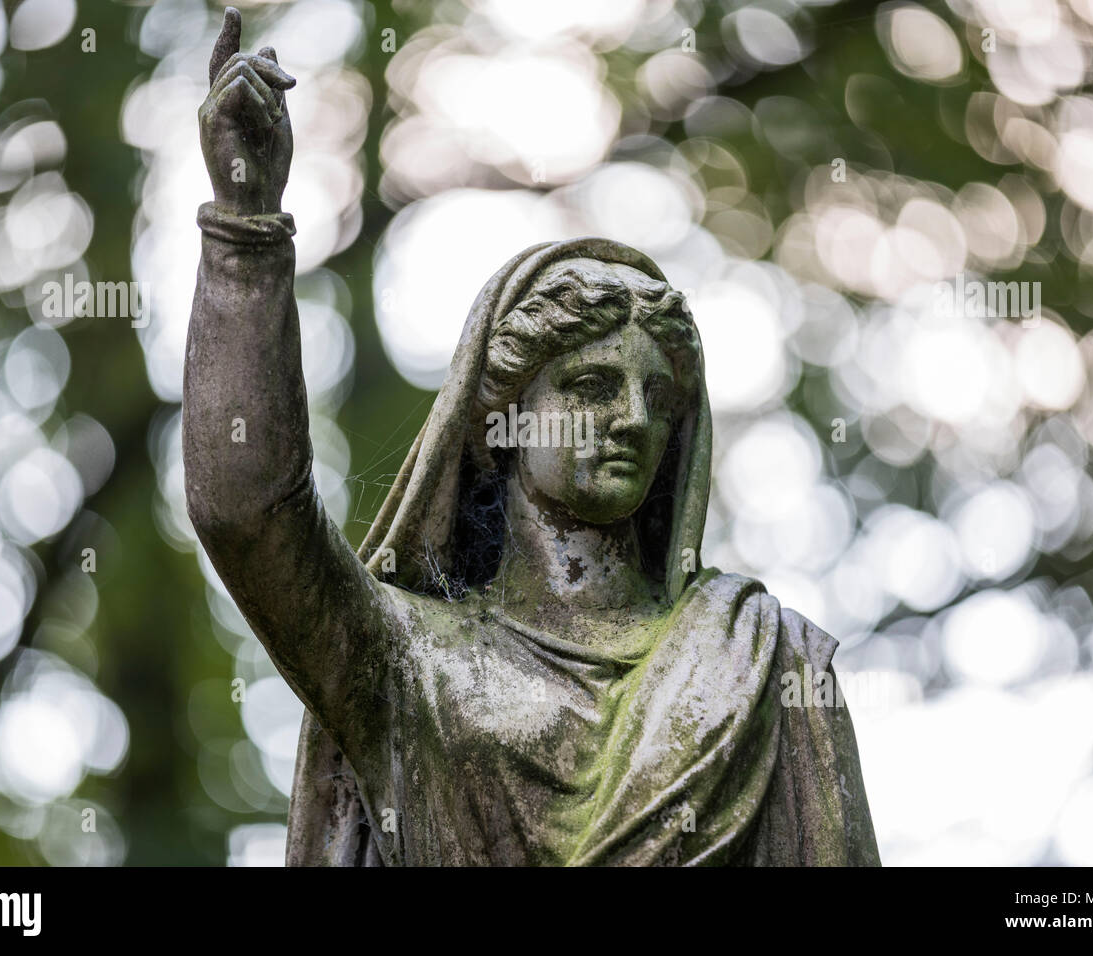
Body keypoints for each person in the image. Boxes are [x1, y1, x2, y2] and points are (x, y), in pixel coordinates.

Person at [184, 8, 879, 866]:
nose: (632, 418)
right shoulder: (406, 665)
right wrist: (245, 229)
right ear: (500, 420)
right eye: (591, 385)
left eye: (658, 398)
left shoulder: (760, 661)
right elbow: (247, 512)